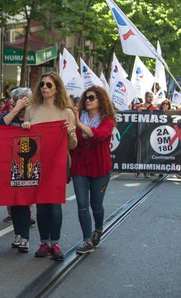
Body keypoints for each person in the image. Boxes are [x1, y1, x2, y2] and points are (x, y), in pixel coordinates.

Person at [22, 71, 77, 260]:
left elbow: (73, 145)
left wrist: (70, 133)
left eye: (49, 85)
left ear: (57, 89)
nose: (44, 87)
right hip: (36, 162)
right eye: (42, 84)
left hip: (58, 163)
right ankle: (43, 242)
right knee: (41, 204)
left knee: (54, 204)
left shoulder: (66, 112)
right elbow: (25, 141)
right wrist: (26, 129)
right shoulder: (32, 110)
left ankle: (55, 244)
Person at [70, 86, 116, 254]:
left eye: (91, 98)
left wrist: (79, 124)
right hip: (80, 166)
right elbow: (73, 141)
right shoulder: (78, 117)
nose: (87, 101)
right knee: (82, 204)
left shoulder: (107, 119)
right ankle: (87, 240)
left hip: (99, 167)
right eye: (86, 98)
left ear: (100, 101)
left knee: (96, 204)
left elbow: (98, 136)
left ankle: (98, 228)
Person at [0, 87, 38, 250]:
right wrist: (15, 109)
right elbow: (2, 124)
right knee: (13, 201)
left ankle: (25, 237)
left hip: (27, 161)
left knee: (24, 201)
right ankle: (18, 233)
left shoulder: (34, 115)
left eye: (14, 100)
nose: (10, 102)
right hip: (9, 162)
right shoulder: (8, 114)